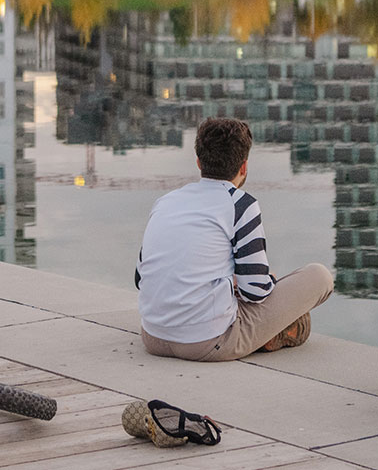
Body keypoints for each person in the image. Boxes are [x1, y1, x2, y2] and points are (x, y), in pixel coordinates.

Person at [136, 117, 333, 361]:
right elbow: (255, 293)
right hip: (207, 342)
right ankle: (275, 333)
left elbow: (140, 277)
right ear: (244, 167)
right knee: (320, 277)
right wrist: (264, 281)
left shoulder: (165, 202)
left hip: (153, 337)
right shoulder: (241, 204)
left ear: (198, 162)